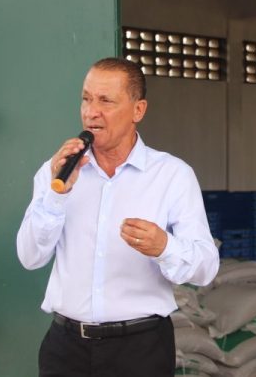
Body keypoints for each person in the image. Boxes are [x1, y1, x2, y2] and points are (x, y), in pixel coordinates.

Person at [17, 58, 219, 377]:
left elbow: (206, 268)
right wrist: (56, 196)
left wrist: (164, 247)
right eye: (86, 99)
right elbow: (30, 257)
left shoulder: (172, 175)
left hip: (140, 351)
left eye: (105, 101)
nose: (91, 111)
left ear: (138, 110)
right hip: (65, 349)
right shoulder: (56, 170)